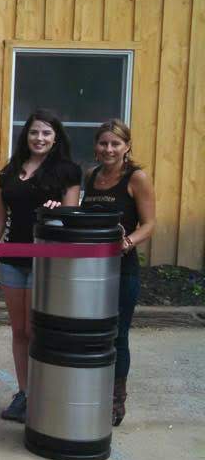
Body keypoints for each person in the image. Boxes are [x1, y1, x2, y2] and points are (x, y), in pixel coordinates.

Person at [0, 109, 81, 423]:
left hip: (48, 263)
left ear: (56, 138)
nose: (39, 139)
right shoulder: (11, 171)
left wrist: (57, 211)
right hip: (13, 260)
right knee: (20, 330)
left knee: (39, 330)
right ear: (26, 136)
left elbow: (72, 218)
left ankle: (44, 393)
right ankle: (24, 392)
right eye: (34, 133)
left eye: (46, 133)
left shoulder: (67, 172)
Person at [81, 119, 155, 426]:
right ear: (96, 147)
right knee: (89, 333)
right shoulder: (91, 176)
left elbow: (150, 224)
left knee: (116, 335)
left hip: (123, 271)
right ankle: (88, 391)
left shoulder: (136, 178)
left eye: (115, 144)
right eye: (103, 143)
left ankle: (115, 399)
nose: (109, 149)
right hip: (89, 271)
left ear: (127, 147)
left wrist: (128, 242)